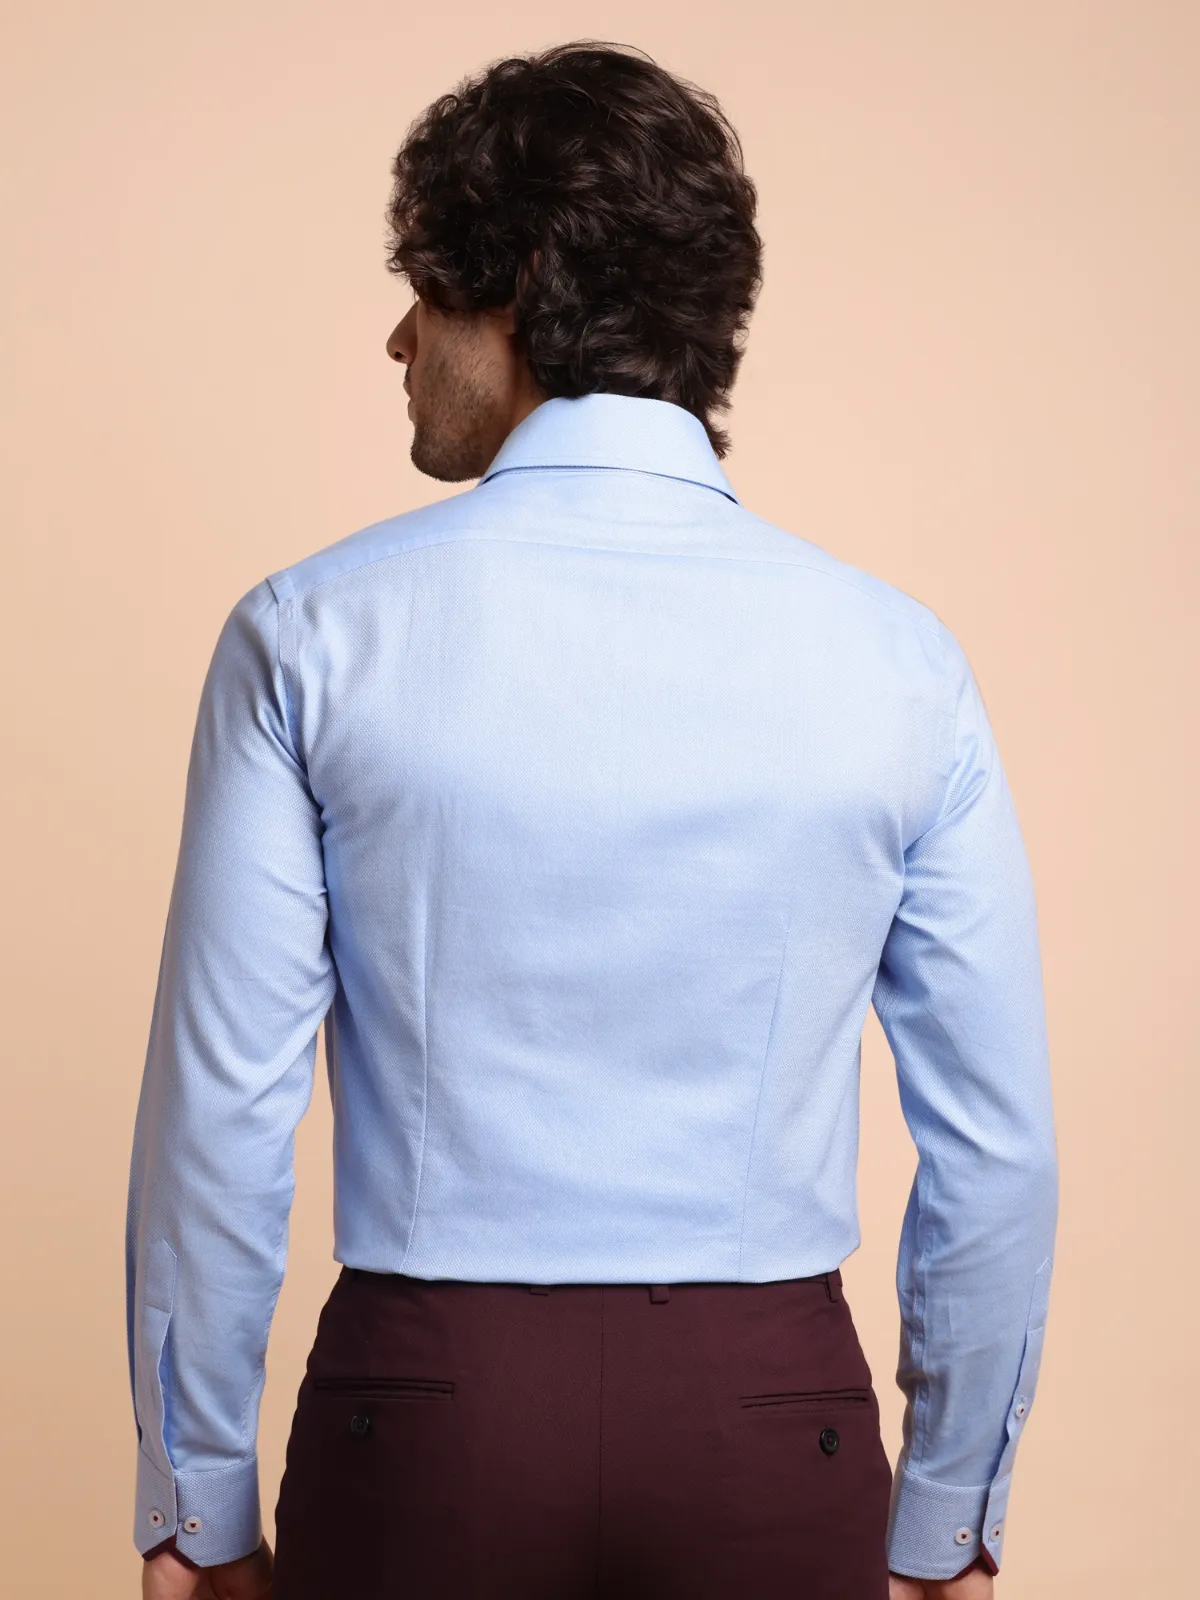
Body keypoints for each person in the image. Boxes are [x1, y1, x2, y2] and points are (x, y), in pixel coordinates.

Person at [128, 40, 1058, 1600]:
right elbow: (997, 1142)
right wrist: (952, 1510)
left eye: (425, 289)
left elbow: (222, 1112)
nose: (397, 337)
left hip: (428, 1423)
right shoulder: (902, 664)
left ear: (523, 286)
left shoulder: (311, 634)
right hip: (770, 1425)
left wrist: (191, 1501)